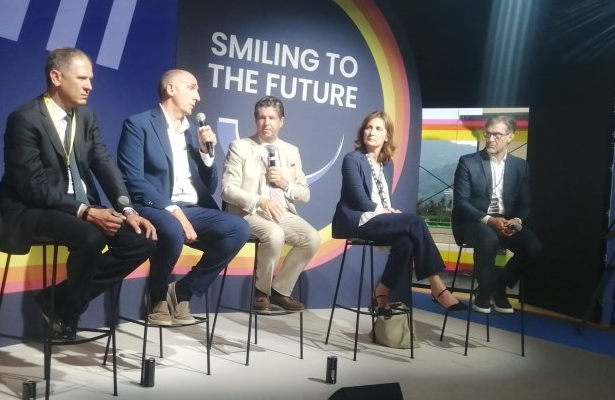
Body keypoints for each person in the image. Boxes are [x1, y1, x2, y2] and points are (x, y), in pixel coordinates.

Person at [0, 47, 157, 339]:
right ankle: (66, 307)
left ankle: (60, 301)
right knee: (90, 237)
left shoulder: (86, 116)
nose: (90, 86)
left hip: (81, 207)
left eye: (91, 79)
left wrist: (128, 210)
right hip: (34, 209)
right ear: (56, 77)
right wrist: (86, 212)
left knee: (141, 241)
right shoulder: (24, 119)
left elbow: (104, 163)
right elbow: (30, 187)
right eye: (82, 78)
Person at [117, 69, 250, 326]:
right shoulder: (139, 124)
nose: (197, 96)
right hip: (153, 205)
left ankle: (183, 291)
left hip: (190, 207)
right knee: (171, 229)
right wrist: (173, 211)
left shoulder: (192, 134)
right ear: (171, 89)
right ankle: (157, 296)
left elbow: (209, 186)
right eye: (191, 87)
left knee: (238, 229)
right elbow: (132, 180)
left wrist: (207, 155)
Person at [332, 110, 465, 313]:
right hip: (358, 220)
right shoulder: (352, 159)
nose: (371, 132)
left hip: (380, 216)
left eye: (378, 128)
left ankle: (381, 291)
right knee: (416, 222)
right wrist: (386, 212)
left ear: (387, 136)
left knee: (407, 242)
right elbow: (358, 199)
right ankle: (437, 285)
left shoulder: (387, 164)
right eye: (368, 127)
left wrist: (389, 210)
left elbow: (384, 196)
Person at [221, 96, 320, 312]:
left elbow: (304, 194)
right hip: (247, 212)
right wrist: (259, 200)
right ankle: (261, 292)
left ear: (281, 121)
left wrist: (285, 184)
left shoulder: (291, 151)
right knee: (275, 234)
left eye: (272, 118)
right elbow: (227, 190)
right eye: (262, 118)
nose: (267, 123)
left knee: (311, 238)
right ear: (255, 120)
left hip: (280, 211)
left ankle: (279, 290)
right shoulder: (240, 147)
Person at [451, 115, 541, 314]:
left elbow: (526, 205)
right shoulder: (468, 162)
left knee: (533, 247)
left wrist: (516, 221)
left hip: (505, 221)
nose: (490, 139)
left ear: (510, 137)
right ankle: (483, 293)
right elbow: (461, 203)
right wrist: (489, 220)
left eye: (497, 135)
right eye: (488, 133)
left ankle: (498, 287)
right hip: (473, 220)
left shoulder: (520, 166)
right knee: (488, 238)